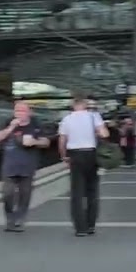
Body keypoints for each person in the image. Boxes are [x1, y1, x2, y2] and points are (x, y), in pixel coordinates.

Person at [56, 97, 110, 236]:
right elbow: (105, 134)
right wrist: (96, 132)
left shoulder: (66, 119)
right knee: (92, 191)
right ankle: (91, 225)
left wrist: (64, 156)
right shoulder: (94, 116)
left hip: (75, 155)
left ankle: (80, 229)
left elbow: (62, 141)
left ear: (73, 106)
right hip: (91, 155)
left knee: (77, 193)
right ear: (85, 105)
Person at [0, 101, 49, 232]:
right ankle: (10, 218)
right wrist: (10, 128)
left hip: (28, 167)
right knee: (7, 194)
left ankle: (19, 219)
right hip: (9, 167)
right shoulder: (8, 122)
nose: (19, 114)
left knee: (25, 195)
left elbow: (46, 142)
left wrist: (34, 141)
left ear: (29, 112)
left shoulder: (36, 124)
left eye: (23, 111)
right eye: (17, 111)